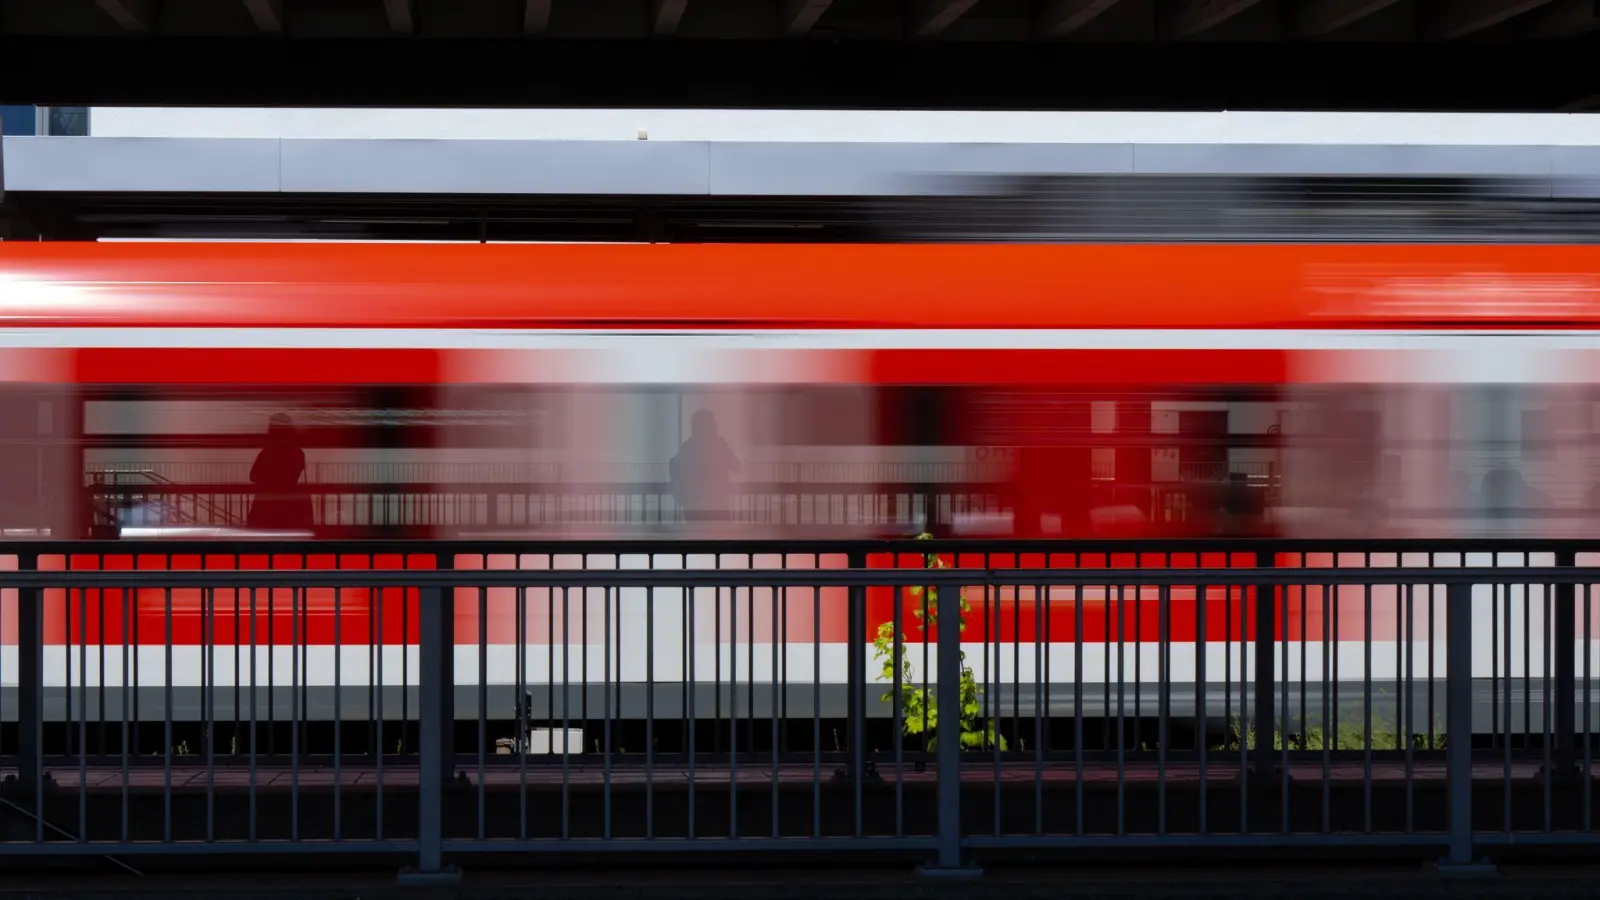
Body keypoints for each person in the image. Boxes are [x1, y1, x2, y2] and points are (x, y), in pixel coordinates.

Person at [669, 410, 741, 523]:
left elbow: (674, 467)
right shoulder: (719, 444)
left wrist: (681, 496)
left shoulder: (688, 446)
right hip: (717, 504)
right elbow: (736, 466)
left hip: (693, 505)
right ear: (711, 426)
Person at [247, 413, 315, 532]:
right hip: (291, 508)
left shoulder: (267, 453)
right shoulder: (298, 452)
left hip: (267, 508)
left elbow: (253, 476)